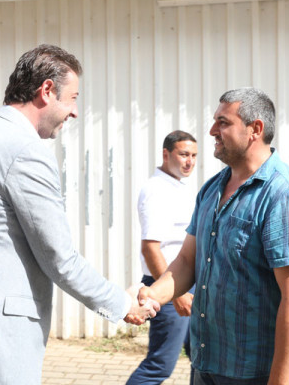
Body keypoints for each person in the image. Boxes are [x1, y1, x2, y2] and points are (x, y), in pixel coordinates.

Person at [0, 44, 158, 385]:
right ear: (46, 90)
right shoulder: (23, 150)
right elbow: (59, 258)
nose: (75, 112)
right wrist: (122, 303)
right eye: (73, 98)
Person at [138, 87, 289, 385]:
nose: (212, 130)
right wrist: (152, 296)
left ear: (255, 129)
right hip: (208, 361)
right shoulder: (211, 189)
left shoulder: (285, 194)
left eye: (223, 122)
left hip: (257, 371)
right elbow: (187, 261)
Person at [127, 130, 198, 385]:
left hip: (186, 285)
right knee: (159, 365)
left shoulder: (178, 187)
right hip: (168, 286)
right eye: (184, 154)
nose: (189, 161)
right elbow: (151, 248)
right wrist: (176, 295)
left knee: (201, 358)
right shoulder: (157, 190)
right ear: (166, 154)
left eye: (194, 156)